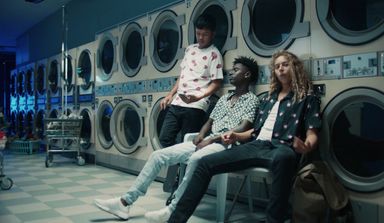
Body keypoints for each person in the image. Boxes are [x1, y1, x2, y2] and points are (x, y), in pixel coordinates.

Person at [93, 56, 260, 221]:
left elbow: (243, 127)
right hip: (208, 141)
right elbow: (209, 121)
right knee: (157, 156)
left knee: (195, 159)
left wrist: (212, 140)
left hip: (226, 145)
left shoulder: (251, 100)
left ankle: (173, 209)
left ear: (247, 75)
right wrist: (201, 136)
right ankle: (125, 202)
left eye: (236, 70)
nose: (231, 72)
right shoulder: (224, 98)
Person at [167, 50, 322, 223]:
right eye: (277, 66)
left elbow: (312, 132)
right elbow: (255, 132)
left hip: (282, 147)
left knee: (285, 158)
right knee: (204, 163)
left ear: (295, 67)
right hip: (256, 145)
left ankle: (274, 219)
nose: (281, 69)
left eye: (285, 65)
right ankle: (175, 220)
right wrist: (235, 135)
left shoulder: (307, 98)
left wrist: (307, 146)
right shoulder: (269, 98)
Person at [158, 13, 223, 195]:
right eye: (198, 33)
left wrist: (198, 96)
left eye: (205, 34)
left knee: (188, 144)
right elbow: (182, 76)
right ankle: (178, 166)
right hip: (178, 102)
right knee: (165, 137)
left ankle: (182, 185)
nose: (200, 37)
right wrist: (169, 95)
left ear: (212, 34)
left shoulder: (214, 54)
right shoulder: (190, 49)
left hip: (196, 106)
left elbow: (216, 82)